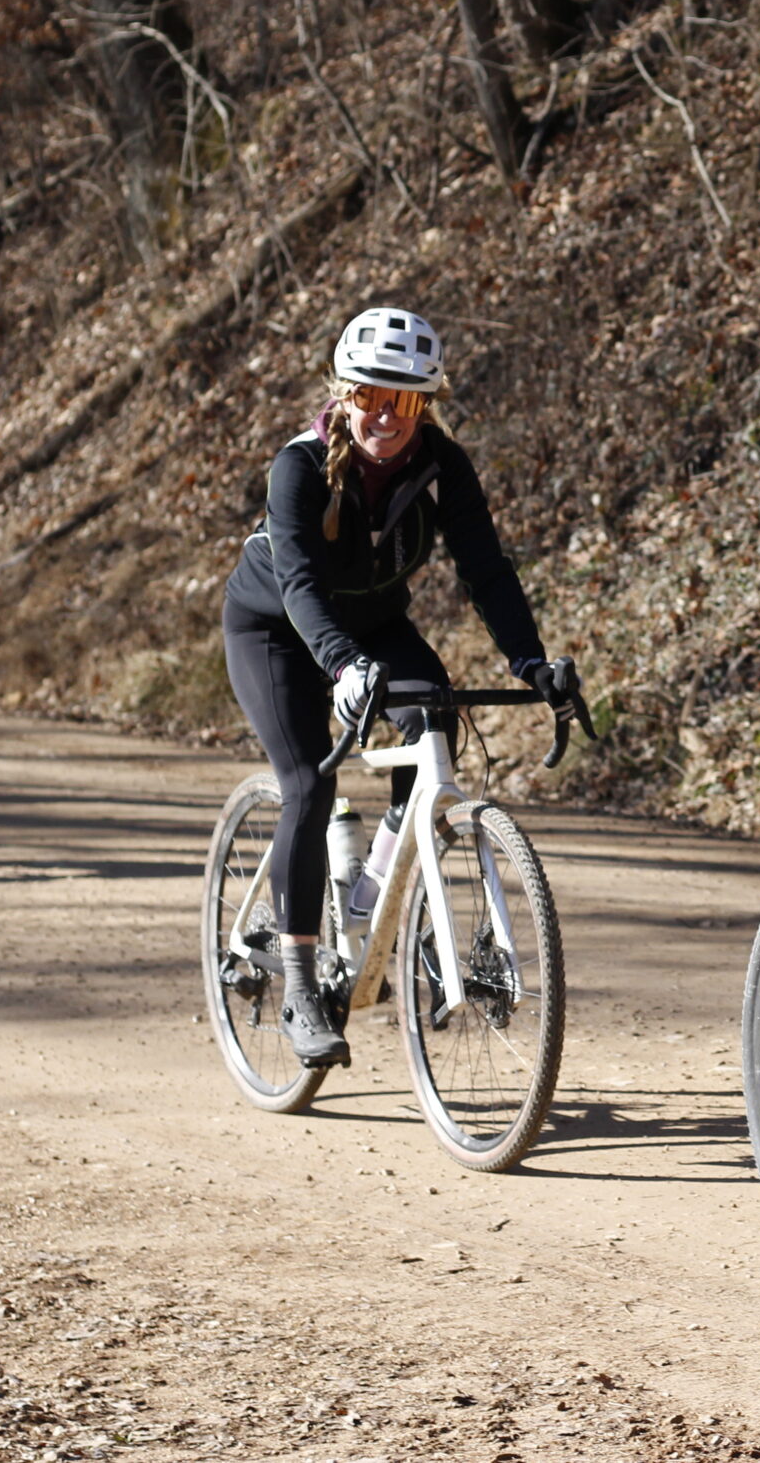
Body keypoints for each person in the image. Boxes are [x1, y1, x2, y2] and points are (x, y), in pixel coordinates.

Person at [221, 308, 590, 1071]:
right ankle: (298, 980)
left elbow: (486, 571)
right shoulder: (298, 466)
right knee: (307, 784)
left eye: (406, 401)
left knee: (435, 718)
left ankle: (374, 902)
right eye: (368, 396)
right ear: (343, 392)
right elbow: (297, 582)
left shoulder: (442, 467)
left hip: (376, 622)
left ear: (429, 404)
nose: (384, 415)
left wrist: (531, 662)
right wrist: (342, 665)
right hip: (278, 628)